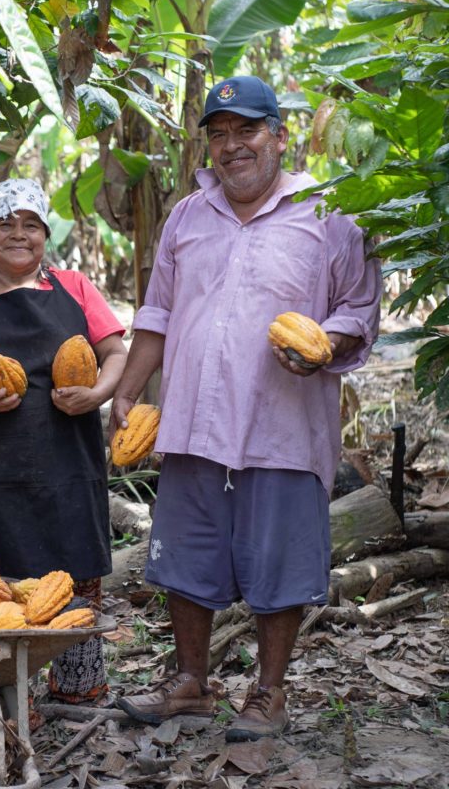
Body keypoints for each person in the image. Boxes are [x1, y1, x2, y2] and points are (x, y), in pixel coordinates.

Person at [112, 76, 382, 740]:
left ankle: (270, 693)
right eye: (220, 135)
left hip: (282, 424)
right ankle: (191, 684)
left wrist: (327, 347)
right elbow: (158, 312)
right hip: (195, 421)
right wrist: (126, 389)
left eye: (247, 131)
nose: (233, 146)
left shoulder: (329, 214)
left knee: (280, 562)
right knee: (184, 560)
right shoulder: (186, 216)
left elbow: (358, 310)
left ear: (279, 135)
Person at [0, 177, 127, 704]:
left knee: (74, 579)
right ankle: (3, 699)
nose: (18, 234)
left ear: (45, 235)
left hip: (68, 463)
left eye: (30, 224)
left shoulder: (75, 287)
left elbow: (115, 352)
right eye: (4, 224)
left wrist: (97, 392)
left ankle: (78, 693)